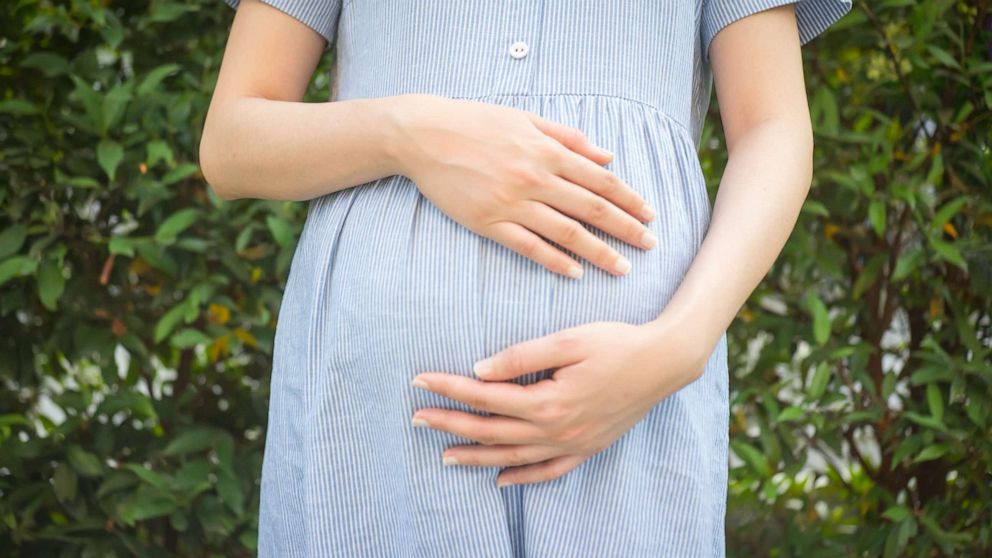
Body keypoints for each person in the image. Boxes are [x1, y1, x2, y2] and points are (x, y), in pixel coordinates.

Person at [199, 0, 852, 555]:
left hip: (634, 407)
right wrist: (409, 133)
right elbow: (231, 143)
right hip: (377, 420)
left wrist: (681, 346)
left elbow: (773, 127)